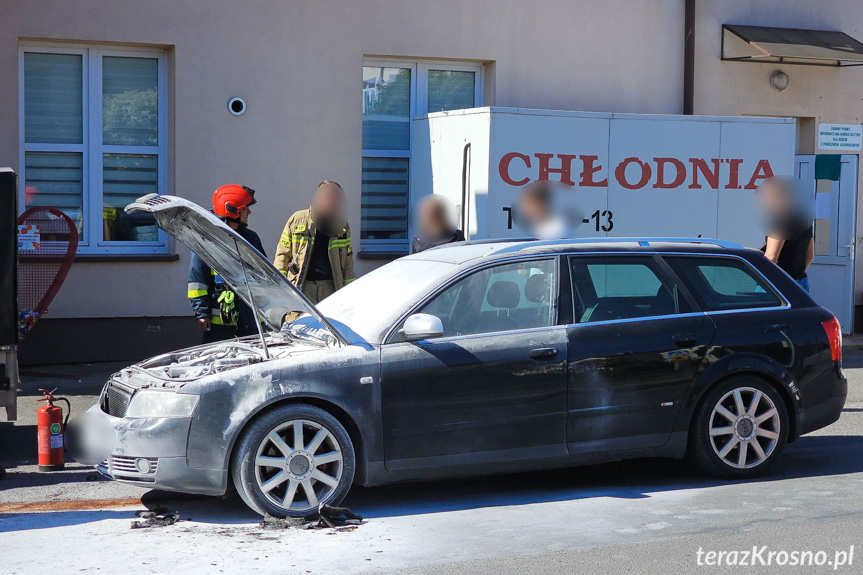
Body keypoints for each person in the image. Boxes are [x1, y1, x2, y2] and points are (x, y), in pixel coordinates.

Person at [188, 185, 266, 343]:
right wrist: (202, 314)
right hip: (219, 325)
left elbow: (264, 275)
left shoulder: (251, 239)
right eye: (246, 209)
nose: (249, 212)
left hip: (250, 321)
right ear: (234, 211)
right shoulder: (205, 240)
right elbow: (197, 283)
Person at [274, 180, 355, 304]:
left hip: (331, 288)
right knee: (300, 321)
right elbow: (282, 255)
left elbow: (348, 263)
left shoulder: (341, 226)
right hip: (302, 287)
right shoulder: (297, 220)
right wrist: (281, 287)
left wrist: (351, 293)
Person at [757, 177, 815, 293]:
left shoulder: (779, 221)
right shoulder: (803, 219)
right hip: (801, 280)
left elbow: (771, 257)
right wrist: (797, 273)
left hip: (778, 283)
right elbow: (810, 255)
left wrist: (761, 280)